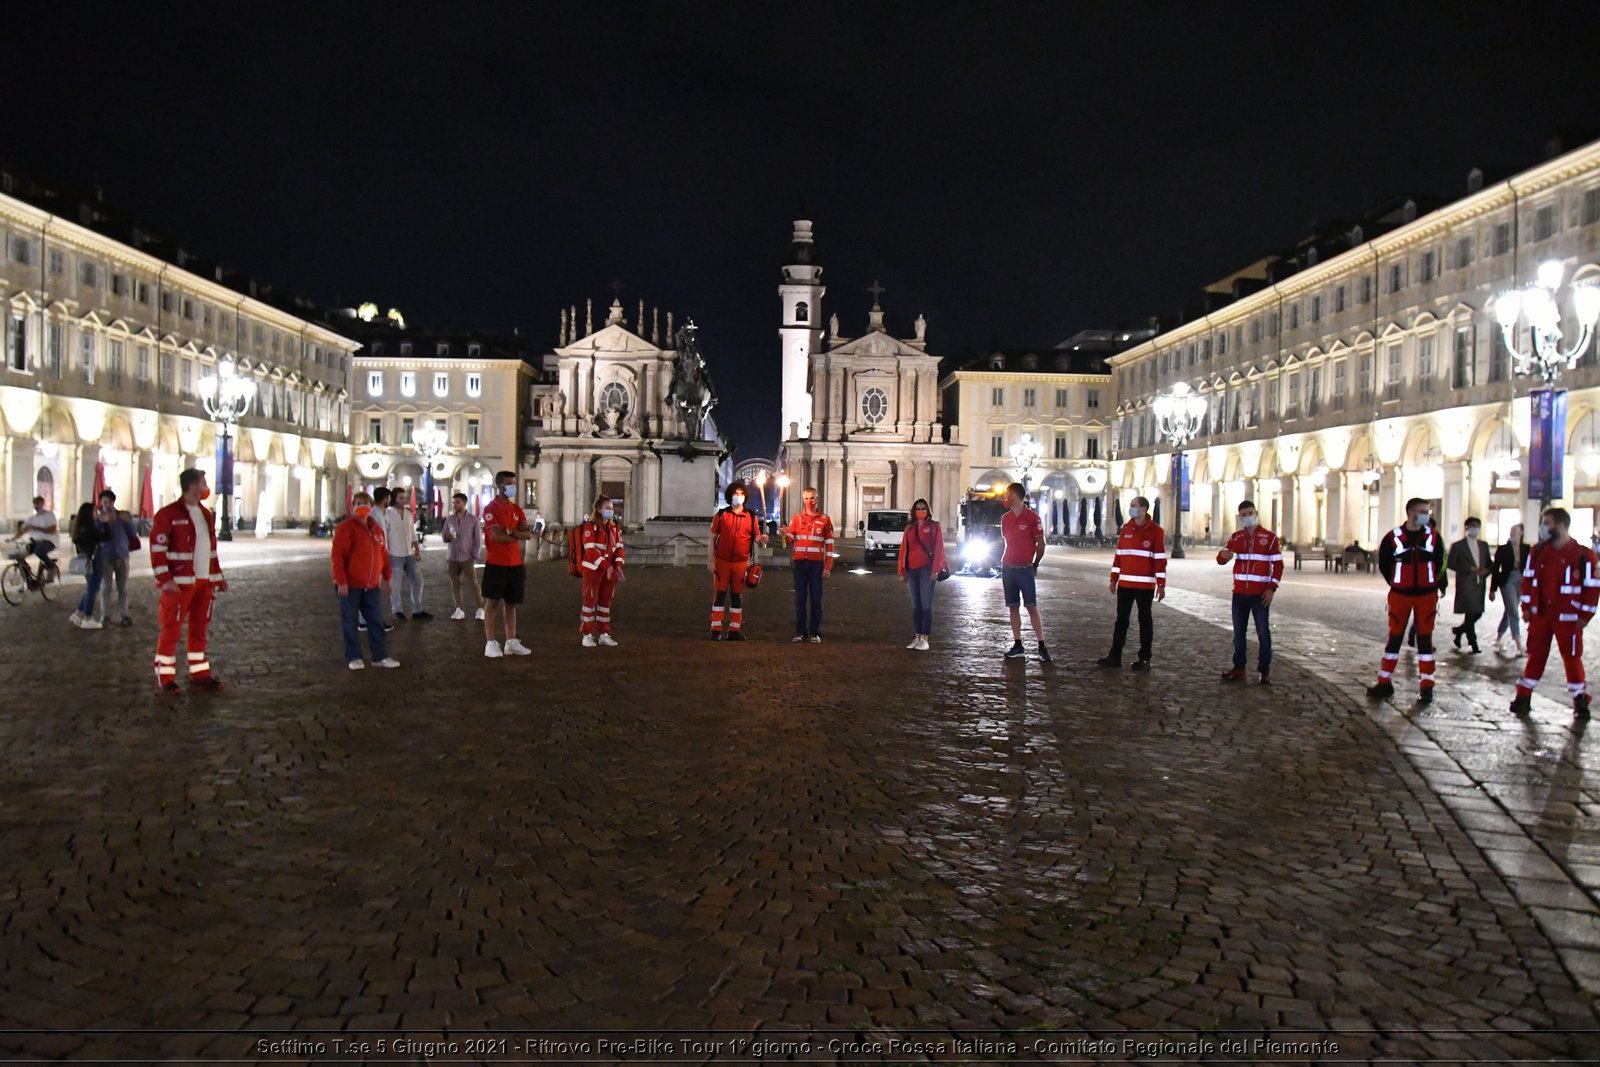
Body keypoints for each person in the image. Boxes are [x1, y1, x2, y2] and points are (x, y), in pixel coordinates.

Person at [1510, 508, 1598, 720]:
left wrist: (1585, 616)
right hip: (1541, 614)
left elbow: (1593, 588)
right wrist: (1526, 608)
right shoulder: (1538, 551)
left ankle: (1579, 699)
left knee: (1571, 657)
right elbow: (1528, 581)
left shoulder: (1584, 555)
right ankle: (1523, 696)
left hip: (1569, 617)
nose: (1543, 527)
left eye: (1546, 523)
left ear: (1560, 525)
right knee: (1536, 655)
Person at [149, 468, 227, 691]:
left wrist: (217, 576)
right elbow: (157, 548)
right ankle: (165, 676)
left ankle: (199, 672)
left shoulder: (205, 514)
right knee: (171, 627)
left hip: (203, 581)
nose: (205, 487)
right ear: (193, 485)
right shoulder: (168, 514)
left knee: (199, 627)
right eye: (203, 482)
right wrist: (164, 578)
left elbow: (211, 549)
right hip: (180, 582)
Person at [1367, 497, 1447, 705]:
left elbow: (1441, 562)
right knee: (1394, 638)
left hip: (1426, 596)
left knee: (1425, 642)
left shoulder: (1434, 537)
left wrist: (1434, 584)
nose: (1426, 515)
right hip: (1400, 595)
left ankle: (1427, 686)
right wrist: (1396, 581)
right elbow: (1384, 563)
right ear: (1410, 512)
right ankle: (1384, 681)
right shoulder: (1393, 538)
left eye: (1427, 512)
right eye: (1422, 511)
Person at [331, 491, 400, 671]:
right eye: (358, 503)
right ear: (352, 507)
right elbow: (338, 557)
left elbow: (383, 555)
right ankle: (354, 656)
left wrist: (388, 577)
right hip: (350, 585)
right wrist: (341, 581)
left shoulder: (376, 528)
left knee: (376, 621)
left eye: (365, 503)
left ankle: (380, 656)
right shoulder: (345, 528)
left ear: (370, 507)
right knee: (350, 621)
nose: (361, 506)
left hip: (371, 585)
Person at [1216, 499, 1282, 684]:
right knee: (1238, 634)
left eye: (1250, 513)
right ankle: (1239, 668)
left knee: (1263, 633)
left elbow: (1277, 565)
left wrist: (1271, 588)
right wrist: (1224, 556)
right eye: (1243, 515)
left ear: (1256, 514)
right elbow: (1222, 558)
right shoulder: (1237, 537)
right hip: (1239, 593)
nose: (1247, 517)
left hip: (1260, 594)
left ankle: (1264, 670)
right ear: (1240, 517)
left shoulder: (1269, 538)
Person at [1098, 495, 1165, 670]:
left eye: (1134, 506)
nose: (1131, 509)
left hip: (1145, 586)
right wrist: (1114, 579)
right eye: (1131, 506)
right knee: (1121, 621)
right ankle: (1115, 656)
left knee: (1145, 620)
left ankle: (1145, 658)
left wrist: (1161, 584)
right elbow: (1119, 557)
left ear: (1143, 509)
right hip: (1125, 585)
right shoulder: (1126, 529)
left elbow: (1159, 559)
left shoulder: (1156, 532)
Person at [481, 469, 533, 657]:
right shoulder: (490, 509)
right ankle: (490, 642)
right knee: (492, 601)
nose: (512, 487)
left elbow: (526, 534)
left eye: (513, 483)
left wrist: (510, 532)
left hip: (515, 563)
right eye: (509, 484)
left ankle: (511, 641)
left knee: (511, 603)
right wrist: (514, 533)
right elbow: (496, 536)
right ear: (500, 485)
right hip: (496, 562)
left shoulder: (516, 509)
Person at [708, 479, 766, 641]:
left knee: (736, 596)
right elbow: (712, 539)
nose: (738, 496)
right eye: (735, 493)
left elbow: (756, 537)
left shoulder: (751, 516)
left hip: (741, 563)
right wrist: (711, 560)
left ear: (745, 497)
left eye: (741, 494)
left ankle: (734, 629)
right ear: (730, 496)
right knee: (719, 595)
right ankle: (716, 628)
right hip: (722, 561)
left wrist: (763, 539)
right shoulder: (721, 515)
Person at [999, 482, 1050, 662]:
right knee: (1013, 606)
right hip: (1008, 567)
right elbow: (1007, 541)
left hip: (1025, 568)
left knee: (1031, 606)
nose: (1005, 497)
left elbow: (1041, 544)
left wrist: (1035, 564)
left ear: (1015, 496)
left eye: (1007, 494)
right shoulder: (1005, 518)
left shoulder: (1032, 518)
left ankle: (1041, 645)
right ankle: (1017, 643)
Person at [784, 485, 835, 643]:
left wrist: (827, 567)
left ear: (817, 499)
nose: (809, 501)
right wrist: (785, 534)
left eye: (812, 498)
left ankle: (815, 632)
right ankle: (800, 632)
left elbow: (830, 545)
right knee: (800, 599)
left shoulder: (825, 519)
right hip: (799, 563)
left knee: (816, 599)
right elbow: (789, 540)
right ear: (802, 499)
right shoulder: (797, 518)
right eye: (806, 498)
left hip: (816, 564)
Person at [577, 494, 627, 647]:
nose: (610, 511)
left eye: (611, 508)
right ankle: (586, 634)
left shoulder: (614, 528)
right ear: (599, 510)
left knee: (606, 602)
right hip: (593, 570)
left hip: (609, 571)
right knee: (590, 602)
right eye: (607, 508)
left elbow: (619, 549)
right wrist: (608, 566)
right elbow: (591, 551)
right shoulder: (590, 527)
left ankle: (604, 633)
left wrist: (618, 566)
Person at [896, 497, 945, 651]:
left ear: (928, 510)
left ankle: (925, 638)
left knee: (926, 605)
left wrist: (936, 569)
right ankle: (917, 636)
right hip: (912, 570)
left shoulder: (934, 526)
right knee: (916, 606)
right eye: (918, 508)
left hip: (927, 570)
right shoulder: (909, 528)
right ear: (914, 511)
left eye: (923, 508)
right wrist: (902, 570)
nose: (921, 511)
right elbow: (904, 550)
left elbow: (939, 548)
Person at [377, 488, 430, 621]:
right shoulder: (387, 514)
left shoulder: (407, 513)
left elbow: (412, 533)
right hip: (394, 553)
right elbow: (383, 535)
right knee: (396, 583)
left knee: (418, 580)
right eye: (401, 497)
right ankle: (397, 609)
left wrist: (417, 549)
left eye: (405, 497)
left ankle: (417, 609)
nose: (404, 500)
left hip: (409, 553)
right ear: (394, 498)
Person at [1447, 517, 1492, 654]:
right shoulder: (1458, 545)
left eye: (1478, 526)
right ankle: (1473, 643)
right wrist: (1468, 569)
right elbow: (1451, 563)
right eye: (1472, 526)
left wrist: (1486, 571)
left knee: (1477, 613)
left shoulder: (1483, 545)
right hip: (1466, 583)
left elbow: (1489, 563)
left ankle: (1459, 630)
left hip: (1479, 583)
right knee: (1470, 613)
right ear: (1466, 527)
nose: (1475, 529)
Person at [95, 489, 139, 627]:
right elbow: (95, 535)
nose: (105, 505)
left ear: (113, 502)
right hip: (105, 555)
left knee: (123, 587)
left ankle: (124, 615)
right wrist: (101, 522)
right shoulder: (98, 518)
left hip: (122, 554)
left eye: (108, 502)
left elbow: (132, 533)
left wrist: (128, 521)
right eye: (103, 503)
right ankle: (104, 615)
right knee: (105, 587)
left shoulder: (123, 516)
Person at [441, 492, 485, 622]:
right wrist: (447, 537)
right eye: (454, 502)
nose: (455, 505)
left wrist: (474, 555)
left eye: (457, 502)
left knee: (473, 583)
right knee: (455, 584)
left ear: (464, 503)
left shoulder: (473, 520)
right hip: (452, 556)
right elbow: (444, 535)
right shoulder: (449, 519)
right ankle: (459, 608)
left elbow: (478, 539)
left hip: (467, 556)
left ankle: (480, 608)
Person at [68, 502, 108, 629]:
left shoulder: (79, 528)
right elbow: (107, 537)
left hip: (86, 560)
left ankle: (78, 613)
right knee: (92, 589)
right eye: (94, 511)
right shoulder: (89, 529)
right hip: (94, 561)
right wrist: (105, 523)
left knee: (90, 588)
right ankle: (87, 617)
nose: (97, 513)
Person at [1491, 523, 1529, 655]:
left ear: (1521, 533)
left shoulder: (1526, 548)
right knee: (1513, 610)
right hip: (1507, 580)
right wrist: (1493, 589)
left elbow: (1530, 566)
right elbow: (1495, 569)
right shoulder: (1502, 549)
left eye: (1515, 531)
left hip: (1522, 580)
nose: (1512, 533)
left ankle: (1499, 637)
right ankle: (1518, 642)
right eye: (1511, 531)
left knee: (1509, 610)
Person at [19, 496, 58, 573]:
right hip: (35, 541)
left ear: (42, 504)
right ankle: (27, 573)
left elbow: (52, 530)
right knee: (19, 554)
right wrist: (13, 538)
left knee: (39, 551)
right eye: (34, 503)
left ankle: (51, 568)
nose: (36, 505)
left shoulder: (49, 515)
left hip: (49, 541)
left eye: (38, 503)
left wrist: (35, 528)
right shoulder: (32, 518)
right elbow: (22, 530)